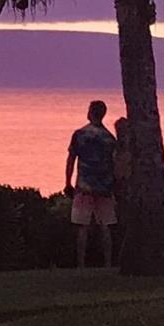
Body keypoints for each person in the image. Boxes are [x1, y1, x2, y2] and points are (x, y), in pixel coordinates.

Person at [64, 98, 119, 268]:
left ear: (90, 113)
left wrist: (67, 182)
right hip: (105, 187)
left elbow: (71, 159)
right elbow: (115, 164)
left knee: (82, 226)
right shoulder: (110, 139)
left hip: (84, 186)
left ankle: (81, 264)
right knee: (105, 226)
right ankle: (108, 263)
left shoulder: (80, 135)